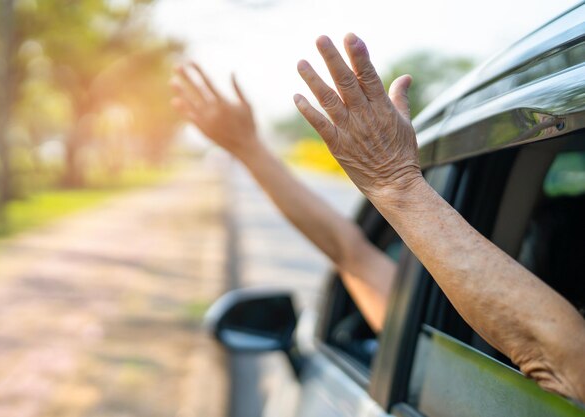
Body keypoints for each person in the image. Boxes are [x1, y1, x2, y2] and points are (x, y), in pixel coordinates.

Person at [171, 33, 585, 402]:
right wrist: (248, 148)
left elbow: (562, 358)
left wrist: (399, 185)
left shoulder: (467, 345)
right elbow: (346, 248)